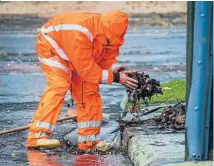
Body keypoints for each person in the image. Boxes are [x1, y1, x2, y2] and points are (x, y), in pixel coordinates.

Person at [27, 10, 138, 151]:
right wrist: (116, 78)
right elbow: (87, 71)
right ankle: (37, 137)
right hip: (53, 47)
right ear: (104, 29)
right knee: (59, 86)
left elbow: (106, 59)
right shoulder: (81, 32)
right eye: (108, 38)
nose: (110, 41)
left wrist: (120, 71)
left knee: (89, 92)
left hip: (79, 56)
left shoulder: (113, 35)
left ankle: (89, 142)